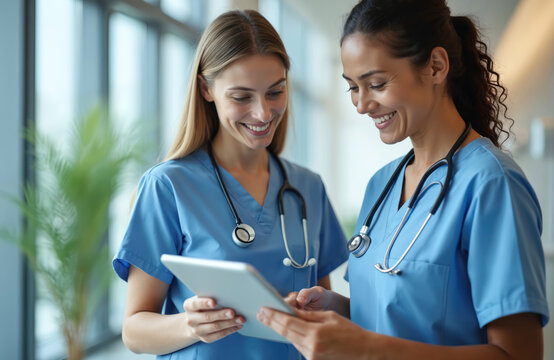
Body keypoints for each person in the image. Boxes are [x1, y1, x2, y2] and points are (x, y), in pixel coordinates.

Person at [257, 0, 549, 359]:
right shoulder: (381, 185)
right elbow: (398, 320)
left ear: (436, 66)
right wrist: (337, 310)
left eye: (376, 83)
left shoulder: (491, 185)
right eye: (352, 87)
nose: (362, 104)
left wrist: (366, 348)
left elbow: (519, 354)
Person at [112, 9, 348, 360]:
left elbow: (325, 312)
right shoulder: (168, 186)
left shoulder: (307, 188)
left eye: (275, 92)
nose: (263, 113)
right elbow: (134, 331)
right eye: (242, 97)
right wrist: (190, 325)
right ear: (207, 89)